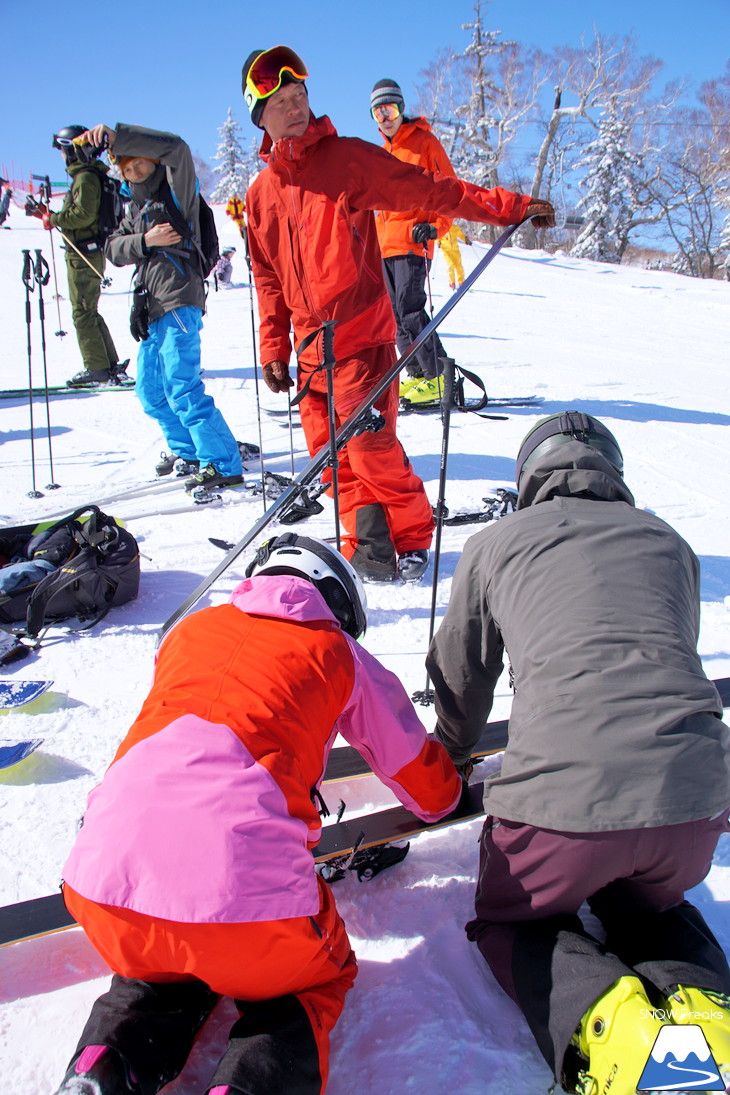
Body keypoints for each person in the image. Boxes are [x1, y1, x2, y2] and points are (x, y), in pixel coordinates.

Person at [54, 533, 462, 1095]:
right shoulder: (336, 650)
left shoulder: (188, 631)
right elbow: (422, 780)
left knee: (166, 967)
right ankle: (248, 1085)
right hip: (245, 905)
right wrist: (449, 790)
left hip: (101, 889)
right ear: (337, 604)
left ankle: (104, 1065)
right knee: (313, 979)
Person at [425, 411, 730, 1095]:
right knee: (647, 906)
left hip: (561, 812)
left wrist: (451, 751)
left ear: (529, 477)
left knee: (517, 920)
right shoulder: (670, 541)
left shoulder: (498, 541)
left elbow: (462, 678)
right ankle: (711, 1015)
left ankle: (611, 1025)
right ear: (612, 473)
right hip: (695, 803)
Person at [242, 46, 554, 584]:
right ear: (260, 115)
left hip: (359, 339)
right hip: (310, 353)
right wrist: (273, 347)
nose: (295, 108)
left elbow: (427, 188)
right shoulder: (260, 194)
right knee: (330, 460)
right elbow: (267, 276)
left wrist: (509, 206)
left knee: (371, 448)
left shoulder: (345, 160)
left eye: (300, 96)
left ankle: (410, 538)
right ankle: (368, 540)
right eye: (281, 100)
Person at [77, 123, 243, 490]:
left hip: (179, 299)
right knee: (151, 391)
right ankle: (188, 449)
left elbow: (178, 149)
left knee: (182, 386)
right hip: (150, 307)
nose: (133, 172)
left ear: (153, 161)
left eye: (139, 164)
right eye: (126, 168)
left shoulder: (177, 193)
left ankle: (222, 462)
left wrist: (117, 137)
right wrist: (145, 240)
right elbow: (112, 249)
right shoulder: (134, 207)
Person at [370, 78, 459, 407]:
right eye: (378, 113)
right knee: (395, 317)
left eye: (390, 109)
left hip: (412, 240)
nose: (386, 117)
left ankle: (440, 378)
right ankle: (419, 375)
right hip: (385, 246)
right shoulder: (381, 153)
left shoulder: (425, 143)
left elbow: (450, 189)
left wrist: (437, 227)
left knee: (410, 311)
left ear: (401, 108)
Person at [26, 128, 125, 388]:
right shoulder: (90, 176)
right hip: (88, 251)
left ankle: (97, 368)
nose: (61, 157)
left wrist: (54, 218)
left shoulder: (85, 178)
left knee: (82, 312)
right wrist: (49, 215)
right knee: (88, 310)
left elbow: (83, 215)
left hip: (82, 254)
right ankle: (109, 364)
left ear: (71, 149)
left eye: (62, 151)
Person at [439, 223, 471, 290]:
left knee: (458, 266)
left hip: (455, 250)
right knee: (450, 265)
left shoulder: (453, 228)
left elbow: (460, 234)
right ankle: (452, 282)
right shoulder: (441, 228)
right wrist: (438, 242)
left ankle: (461, 281)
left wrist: (465, 239)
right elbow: (437, 236)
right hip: (446, 251)